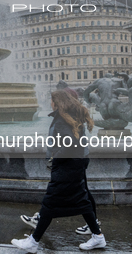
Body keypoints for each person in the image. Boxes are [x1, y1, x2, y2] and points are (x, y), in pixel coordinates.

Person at [11, 91, 105, 253]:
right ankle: (98, 237)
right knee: (82, 201)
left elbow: (69, 144)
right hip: (74, 165)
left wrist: (56, 160)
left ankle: (33, 242)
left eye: (52, 100)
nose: (50, 103)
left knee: (50, 202)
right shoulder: (69, 116)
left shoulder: (62, 120)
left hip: (66, 167)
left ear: (58, 103)